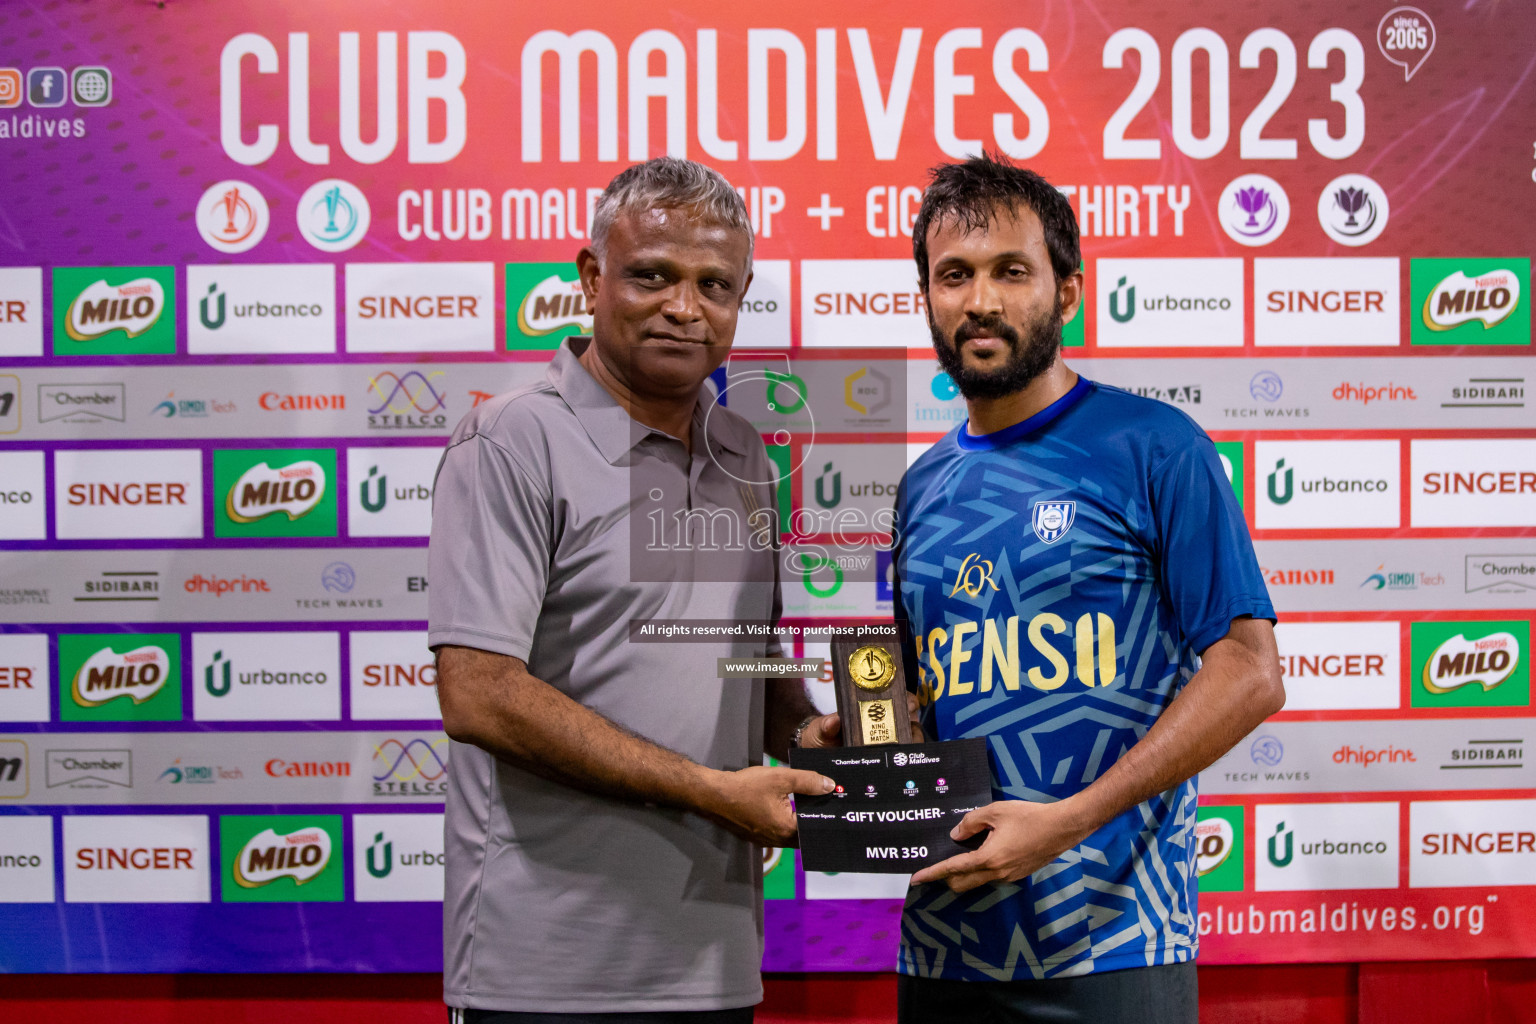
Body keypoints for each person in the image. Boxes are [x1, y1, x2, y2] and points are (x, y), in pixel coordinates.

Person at [427, 157, 834, 1023]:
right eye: (652, 275)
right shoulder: (511, 440)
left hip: (714, 964)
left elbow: (749, 664)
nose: (684, 307)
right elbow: (479, 695)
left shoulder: (747, 455)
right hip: (541, 970)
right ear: (590, 276)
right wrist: (711, 791)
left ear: (741, 297)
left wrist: (809, 735)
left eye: (714, 285)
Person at [889, 153, 1284, 1023]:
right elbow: (926, 704)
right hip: (944, 945)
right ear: (925, 295)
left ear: (1068, 291)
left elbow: (1251, 672)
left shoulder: (1156, 445)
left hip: (1114, 945)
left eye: (1011, 272)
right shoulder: (921, 488)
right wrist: (866, 739)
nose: (979, 300)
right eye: (953, 275)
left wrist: (1070, 818)